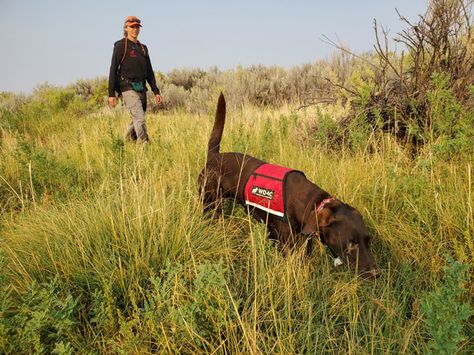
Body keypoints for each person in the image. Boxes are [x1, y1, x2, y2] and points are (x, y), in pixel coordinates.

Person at [108, 16, 162, 143]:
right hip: (127, 88)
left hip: (142, 87)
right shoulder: (121, 46)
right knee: (140, 119)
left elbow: (149, 71)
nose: (135, 29)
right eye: (132, 27)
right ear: (126, 28)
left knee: (136, 120)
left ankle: (126, 143)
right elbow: (113, 69)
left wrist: (156, 91)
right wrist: (111, 94)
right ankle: (144, 146)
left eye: (137, 27)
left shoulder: (143, 48)